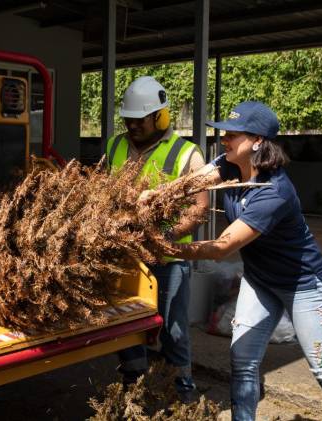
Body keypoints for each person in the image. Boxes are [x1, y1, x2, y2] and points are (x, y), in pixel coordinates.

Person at [141, 101, 322, 420]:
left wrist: (163, 246)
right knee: (243, 361)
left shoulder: (274, 192)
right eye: (224, 133)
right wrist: (157, 195)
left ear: (258, 141)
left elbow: (222, 247)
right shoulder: (229, 165)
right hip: (261, 280)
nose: (224, 140)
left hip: (304, 286)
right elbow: (191, 183)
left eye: (232, 135)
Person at [105, 76, 208, 401]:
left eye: (139, 120)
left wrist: (165, 236)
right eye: (128, 120)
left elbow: (200, 207)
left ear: (160, 117)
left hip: (167, 262)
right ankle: (135, 387)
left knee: (173, 330)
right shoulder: (115, 145)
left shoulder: (188, 154)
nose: (132, 126)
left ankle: (182, 394)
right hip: (125, 257)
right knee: (127, 327)